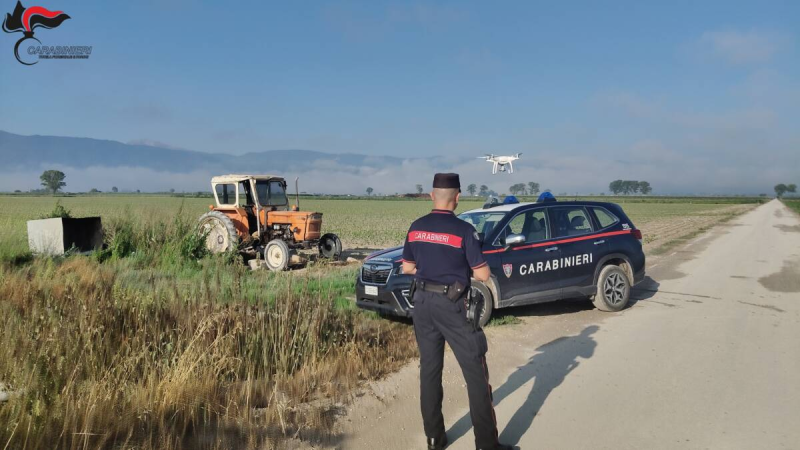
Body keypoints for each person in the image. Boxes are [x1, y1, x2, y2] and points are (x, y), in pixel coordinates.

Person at [401, 173, 512, 450]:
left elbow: (407, 268)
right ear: (457, 198)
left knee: (429, 371)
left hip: (422, 304)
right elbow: (483, 274)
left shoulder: (415, 228)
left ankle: (434, 440)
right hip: (452, 306)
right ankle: (487, 445)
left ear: (431, 195)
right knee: (475, 371)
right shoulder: (464, 231)